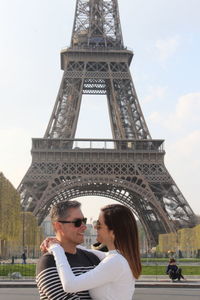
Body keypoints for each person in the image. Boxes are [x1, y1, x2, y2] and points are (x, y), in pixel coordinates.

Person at [43, 203, 142, 300]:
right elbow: (94, 252)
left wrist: (56, 249)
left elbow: (70, 285)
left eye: (98, 225)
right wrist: (57, 242)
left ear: (113, 233)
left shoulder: (115, 261)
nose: (94, 227)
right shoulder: (118, 257)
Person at [36, 200, 101, 300]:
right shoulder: (48, 262)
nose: (84, 227)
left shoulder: (92, 258)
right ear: (58, 226)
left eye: (84, 221)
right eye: (77, 222)